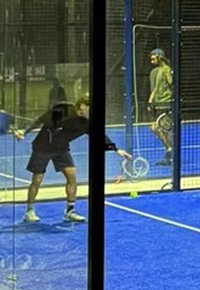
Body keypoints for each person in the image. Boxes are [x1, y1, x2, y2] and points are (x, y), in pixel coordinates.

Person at [13, 94, 131, 223]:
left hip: (61, 149)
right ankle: (29, 211)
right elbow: (40, 120)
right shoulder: (63, 109)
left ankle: (70, 211)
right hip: (43, 146)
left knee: (72, 176)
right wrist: (24, 132)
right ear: (82, 106)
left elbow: (101, 137)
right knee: (37, 179)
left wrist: (117, 150)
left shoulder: (87, 123)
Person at [146, 48, 175, 166]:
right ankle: (169, 154)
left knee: (159, 129)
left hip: (165, 104)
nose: (152, 61)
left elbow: (172, 85)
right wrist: (150, 100)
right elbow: (156, 88)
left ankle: (169, 152)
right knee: (160, 129)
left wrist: (170, 100)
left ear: (160, 57)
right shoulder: (158, 71)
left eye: (153, 59)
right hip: (158, 105)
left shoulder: (167, 70)